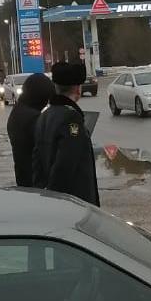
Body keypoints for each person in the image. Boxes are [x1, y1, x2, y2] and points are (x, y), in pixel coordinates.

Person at [32, 62, 100, 206]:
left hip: (51, 199)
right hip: (74, 203)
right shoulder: (71, 118)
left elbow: (37, 161)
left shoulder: (44, 116)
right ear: (77, 89)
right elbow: (65, 164)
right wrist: (56, 200)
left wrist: (42, 194)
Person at [6, 73, 54, 187]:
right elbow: (48, 148)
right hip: (35, 182)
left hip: (23, 177)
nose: (46, 103)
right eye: (46, 99)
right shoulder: (32, 118)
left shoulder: (18, 110)